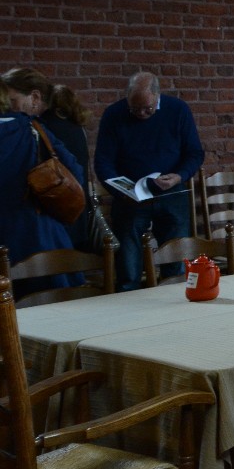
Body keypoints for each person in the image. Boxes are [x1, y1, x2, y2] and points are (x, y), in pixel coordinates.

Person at [95, 71, 203, 289]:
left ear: (157, 96)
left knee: (176, 264)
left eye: (148, 108)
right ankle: (129, 302)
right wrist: (121, 189)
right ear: (127, 98)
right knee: (128, 267)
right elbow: (103, 162)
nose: (141, 114)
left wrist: (179, 176)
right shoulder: (114, 114)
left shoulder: (178, 110)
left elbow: (194, 153)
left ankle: (175, 300)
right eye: (134, 109)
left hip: (171, 192)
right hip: (130, 198)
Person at [3, 68, 97, 252]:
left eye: (12, 101)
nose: (7, 109)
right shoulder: (67, 122)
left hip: (53, 225)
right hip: (70, 219)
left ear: (35, 97)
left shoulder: (40, 129)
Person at [0, 103, 87, 297]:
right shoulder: (30, 129)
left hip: (6, 240)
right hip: (40, 236)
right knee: (57, 305)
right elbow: (74, 173)